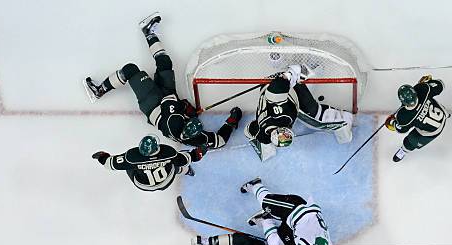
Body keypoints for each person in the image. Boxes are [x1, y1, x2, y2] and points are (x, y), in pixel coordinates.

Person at [84, 12, 242, 149]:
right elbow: (220, 141)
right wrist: (232, 122)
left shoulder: (174, 121)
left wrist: (185, 109)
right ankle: (148, 32)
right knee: (165, 63)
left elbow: (169, 99)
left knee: (130, 70)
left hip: (153, 105)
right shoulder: (198, 138)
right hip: (168, 105)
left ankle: (98, 91)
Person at [245, 64, 354, 161]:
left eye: (284, 136)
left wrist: (290, 75)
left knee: (315, 113)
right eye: (287, 137)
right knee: (303, 109)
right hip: (273, 90)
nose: (287, 134)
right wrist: (264, 145)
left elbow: (275, 92)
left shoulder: (281, 115)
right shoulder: (262, 135)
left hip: (282, 84)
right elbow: (248, 130)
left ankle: (309, 68)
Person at [240, 177, 333, 245]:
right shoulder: (308, 240)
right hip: (294, 207)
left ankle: (265, 218)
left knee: (274, 244)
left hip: (295, 225)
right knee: (265, 202)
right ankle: (255, 185)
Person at [92, 134, 205, 191]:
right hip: (167, 181)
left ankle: (183, 169)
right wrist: (199, 152)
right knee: (174, 162)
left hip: (144, 185)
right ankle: (186, 170)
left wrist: (102, 156)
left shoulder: (131, 157)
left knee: (128, 165)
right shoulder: (168, 152)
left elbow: (109, 164)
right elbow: (188, 158)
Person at [384, 75, 450, 162]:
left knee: (410, 141)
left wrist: (391, 122)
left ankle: (403, 151)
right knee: (433, 104)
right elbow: (441, 84)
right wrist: (427, 83)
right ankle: (447, 115)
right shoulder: (422, 88)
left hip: (432, 132)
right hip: (442, 114)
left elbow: (401, 129)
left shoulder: (403, 116)